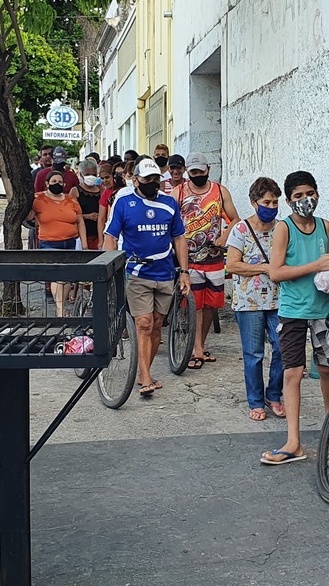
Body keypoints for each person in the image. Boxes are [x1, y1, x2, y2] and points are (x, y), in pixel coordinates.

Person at [262, 171, 329, 465]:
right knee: (292, 373)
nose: (304, 200)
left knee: (327, 370)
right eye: (297, 196)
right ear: (288, 201)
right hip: (293, 312)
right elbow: (275, 272)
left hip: (323, 311)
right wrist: (315, 265)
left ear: (318, 194)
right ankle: (293, 441)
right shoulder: (284, 229)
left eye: (309, 193)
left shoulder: (325, 226)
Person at [103, 158, 189, 397]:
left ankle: (144, 371)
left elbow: (179, 238)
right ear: (135, 180)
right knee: (144, 323)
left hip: (164, 273)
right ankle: (146, 378)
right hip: (136, 273)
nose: (152, 183)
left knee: (158, 323)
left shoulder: (169, 204)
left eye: (155, 179)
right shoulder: (124, 203)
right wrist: (108, 270)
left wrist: (184, 272)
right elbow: (110, 237)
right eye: (147, 179)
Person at [225, 177, 285, 421]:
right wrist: (263, 268)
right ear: (254, 202)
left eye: (275, 202)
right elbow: (232, 264)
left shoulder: (282, 228)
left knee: (283, 348)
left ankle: (274, 395)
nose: (271, 207)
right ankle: (256, 401)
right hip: (248, 303)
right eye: (266, 202)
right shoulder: (240, 230)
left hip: (280, 300)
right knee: (254, 354)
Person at [177, 152, 238, 369]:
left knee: (212, 305)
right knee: (196, 306)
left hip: (214, 257)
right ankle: (197, 350)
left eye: (200, 171)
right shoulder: (179, 192)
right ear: (188, 172)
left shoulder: (220, 192)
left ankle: (200, 345)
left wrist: (224, 236)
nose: (197, 175)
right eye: (193, 172)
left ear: (208, 170)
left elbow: (235, 220)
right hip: (190, 259)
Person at [28, 170, 86, 315]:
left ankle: (62, 306)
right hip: (49, 243)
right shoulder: (38, 199)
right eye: (54, 182)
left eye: (60, 182)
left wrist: (84, 245)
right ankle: (60, 310)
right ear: (47, 183)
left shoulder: (71, 200)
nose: (57, 184)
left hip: (70, 242)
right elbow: (29, 216)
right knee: (57, 276)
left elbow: (80, 221)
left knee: (66, 278)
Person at [71, 159, 105, 251]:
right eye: (87, 174)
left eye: (93, 175)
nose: (91, 177)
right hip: (82, 236)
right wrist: (87, 216)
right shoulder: (75, 191)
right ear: (81, 175)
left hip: (99, 235)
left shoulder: (101, 190)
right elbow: (70, 214)